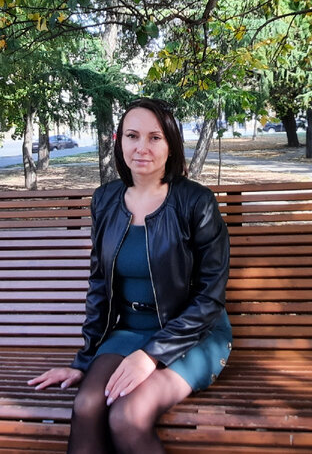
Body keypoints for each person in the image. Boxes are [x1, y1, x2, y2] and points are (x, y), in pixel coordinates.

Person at [28, 98, 232, 453]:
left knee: (127, 415)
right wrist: (85, 361)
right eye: (132, 136)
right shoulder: (105, 201)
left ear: (171, 145)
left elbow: (209, 297)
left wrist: (152, 354)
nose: (142, 147)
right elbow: (99, 286)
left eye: (155, 137)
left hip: (194, 335)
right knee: (87, 405)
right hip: (128, 332)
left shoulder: (196, 203)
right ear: (119, 140)